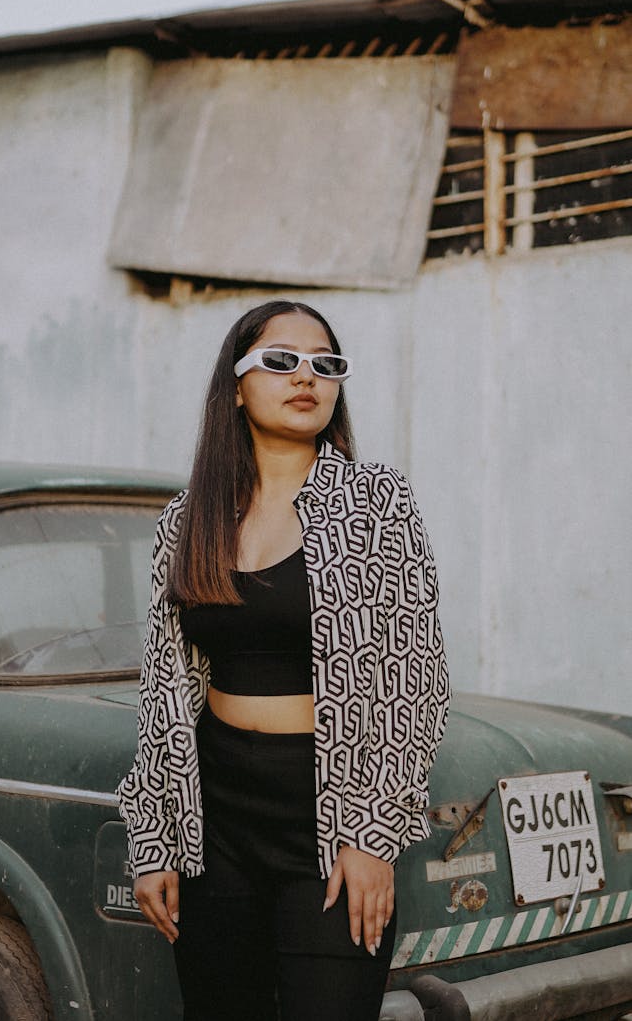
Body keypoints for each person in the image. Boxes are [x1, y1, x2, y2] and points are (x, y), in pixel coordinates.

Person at [117, 300, 450, 1021]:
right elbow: (164, 690)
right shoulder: (189, 517)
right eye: (280, 360)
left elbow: (415, 681)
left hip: (329, 817)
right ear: (235, 385)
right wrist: (154, 839)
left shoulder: (377, 503)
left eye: (326, 364)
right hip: (215, 814)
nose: (307, 376)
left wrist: (372, 832)